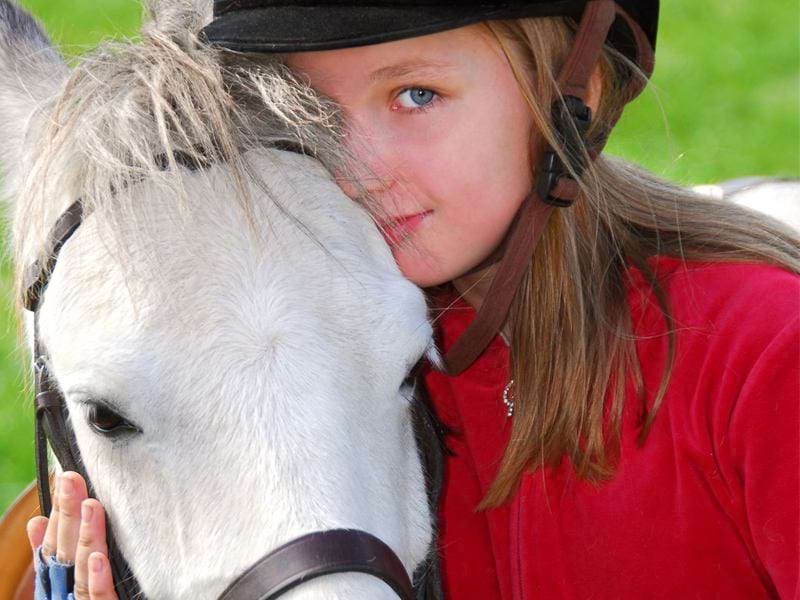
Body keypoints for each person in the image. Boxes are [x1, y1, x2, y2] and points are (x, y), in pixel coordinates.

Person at [28, 1, 799, 598]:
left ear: (576, 95)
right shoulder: (313, 352)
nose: (357, 168)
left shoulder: (765, 357)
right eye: (310, 114)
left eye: (416, 94)